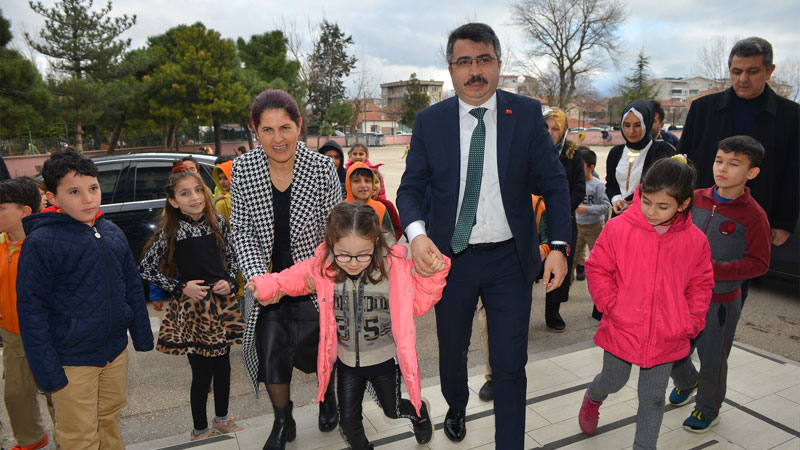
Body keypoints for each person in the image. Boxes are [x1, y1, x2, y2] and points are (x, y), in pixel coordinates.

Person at [396, 23, 571, 449]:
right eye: (464, 62)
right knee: (452, 349)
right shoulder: (430, 122)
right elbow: (410, 189)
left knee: (511, 363)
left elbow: (555, 184)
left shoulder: (527, 114)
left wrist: (561, 247)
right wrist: (417, 236)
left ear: (498, 63)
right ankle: (456, 405)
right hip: (449, 260)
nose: (475, 71)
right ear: (451, 69)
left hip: (510, 260)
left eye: (483, 60)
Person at [247, 202, 448, 449]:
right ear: (331, 243)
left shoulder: (395, 270)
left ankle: (418, 414)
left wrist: (432, 275)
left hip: (384, 361)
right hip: (346, 363)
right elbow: (289, 278)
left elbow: (420, 304)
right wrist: (265, 285)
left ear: (375, 243)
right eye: (343, 254)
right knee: (348, 422)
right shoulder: (324, 268)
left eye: (362, 254)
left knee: (393, 409)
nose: (353, 262)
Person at [16, 149, 154, 449]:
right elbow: (31, 312)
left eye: (93, 188)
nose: (89, 198)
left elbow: (131, 284)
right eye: (74, 192)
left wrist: (141, 335)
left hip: (114, 353)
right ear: (52, 198)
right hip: (72, 361)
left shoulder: (111, 231)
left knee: (109, 420)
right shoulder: (41, 243)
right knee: (79, 435)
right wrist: (47, 372)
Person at [230, 89, 342, 449]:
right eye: (267, 130)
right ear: (255, 131)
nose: (278, 139)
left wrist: (311, 275)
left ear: (299, 126)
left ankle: (328, 398)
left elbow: (335, 233)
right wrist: (259, 279)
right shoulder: (244, 170)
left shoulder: (322, 168)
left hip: (313, 278)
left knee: (326, 345)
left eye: (285, 128)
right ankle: (283, 419)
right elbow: (243, 231)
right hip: (267, 283)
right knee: (270, 348)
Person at [578, 156, 715, 450]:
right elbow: (598, 268)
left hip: (668, 334)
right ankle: (592, 398)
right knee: (612, 380)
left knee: (653, 399)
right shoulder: (618, 229)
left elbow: (701, 284)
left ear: (683, 205)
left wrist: (691, 321)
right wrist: (611, 304)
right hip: (623, 326)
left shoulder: (696, 241)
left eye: (663, 206)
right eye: (647, 201)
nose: (652, 211)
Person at [669, 136, 771, 432]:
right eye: (719, 160)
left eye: (734, 164)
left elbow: (759, 263)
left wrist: (713, 271)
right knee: (672, 348)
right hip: (682, 297)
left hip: (720, 302)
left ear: (752, 172)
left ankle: (707, 408)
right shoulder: (694, 197)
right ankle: (688, 380)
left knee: (713, 358)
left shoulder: (754, 216)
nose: (722, 169)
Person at [139, 170, 244, 441]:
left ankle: (221, 419)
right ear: (174, 201)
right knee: (201, 372)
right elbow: (146, 268)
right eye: (185, 193)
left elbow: (232, 256)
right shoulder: (169, 229)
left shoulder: (217, 221)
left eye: (198, 191)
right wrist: (180, 286)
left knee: (223, 366)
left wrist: (229, 281)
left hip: (220, 306)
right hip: (192, 309)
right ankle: (199, 430)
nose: (195, 197)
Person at [679, 36, 798, 251]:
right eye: (736, 71)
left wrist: (783, 221)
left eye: (752, 71)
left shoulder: (791, 116)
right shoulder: (703, 109)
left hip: (754, 217)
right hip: (701, 212)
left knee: (736, 278)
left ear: (769, 71)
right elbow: (683, 159)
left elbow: (794, 173)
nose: (743, 78)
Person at [477, 193, 550, 401]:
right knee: (486, 323)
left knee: (512, 327)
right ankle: (492, 376)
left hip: (518, 276)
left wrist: (537, 253)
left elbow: (546, 238)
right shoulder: (486, 196)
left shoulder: (537, 204)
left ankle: (511, 371)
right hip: (485, 272)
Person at [0, 177, 52, 450]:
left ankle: (70, 440)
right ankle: (31, 438)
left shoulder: (43, 245)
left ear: (25, 212)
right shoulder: (0, 245)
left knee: (58, 394)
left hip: (48, 335)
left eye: (1, 208)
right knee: (16, 395)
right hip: (11, 333)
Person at [540, 108, 585, 331]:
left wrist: (559, 209)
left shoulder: (573, 154)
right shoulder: (532, 149)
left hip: (563, 218)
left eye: (555, 128)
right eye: (546, 127)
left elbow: (579, 189)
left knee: (559, 264)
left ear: (564, 129)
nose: (549, 132)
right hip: (536, 216)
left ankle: (553, 312)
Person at [606, 100, 676, 216]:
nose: (631, 131)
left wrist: (637, 203)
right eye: (627, 125)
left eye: (638, 125)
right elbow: (611, 185)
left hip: (650, 218)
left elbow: (667, 187)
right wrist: (616, 200)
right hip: (620, 217)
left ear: (647, 124)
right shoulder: (615, 152)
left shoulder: (663, 151)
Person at [574, 148, 610, 285]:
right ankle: (564, 288)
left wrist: (587, 209)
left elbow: (606, 207)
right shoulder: (575, 183)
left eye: (580, 165)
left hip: (594, 228)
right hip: (578, 226)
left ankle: (601, 285)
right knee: (571, 258)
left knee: (598, 260)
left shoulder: (598, 185)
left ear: (591, 167)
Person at [345, 162, 395, 238]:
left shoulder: (380, 208)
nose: (363, 185)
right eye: (356, 181)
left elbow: (390, 237)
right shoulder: (341, 210)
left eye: (367, 181)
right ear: (348, 184)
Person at [370, 169, 403, 240]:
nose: (373, 185)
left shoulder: (387, 205)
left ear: (381, 186)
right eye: (369, 181)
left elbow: (397, 228)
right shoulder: (357, 205)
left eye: (376, 182)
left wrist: (389, 242)